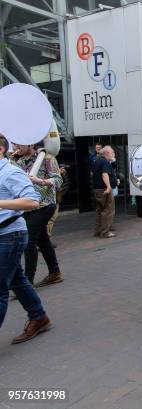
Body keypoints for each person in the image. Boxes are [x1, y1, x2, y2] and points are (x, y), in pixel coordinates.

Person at [0, 134, 52, 344]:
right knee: (17, 280)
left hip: (10, 234)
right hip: (4, 234)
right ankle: (39, 317)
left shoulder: (10, 172)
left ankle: (39, 317)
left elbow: (32, 201)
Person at [12, 142, 63, 287]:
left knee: (29, 241)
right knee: (43, 240)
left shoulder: (47, 158)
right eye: (14, 144)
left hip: (45, 205)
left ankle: (27, 282)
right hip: (27, 206)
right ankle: (55, 273)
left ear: (29, 143)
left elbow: (59, 181)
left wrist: (40, 181)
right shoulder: (18, 160)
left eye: (18, 144)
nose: (16, 147)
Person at [93, 146, 117, 238]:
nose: (113, 154)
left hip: (97, 189)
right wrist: (108, 187)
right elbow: (104, 174)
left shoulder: (97, 161)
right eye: (112, 152)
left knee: (100, 211)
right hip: (104, 189)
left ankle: (98, 231)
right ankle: (105, 232)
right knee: (108, 210)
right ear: (107, 153)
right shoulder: (104, 162)